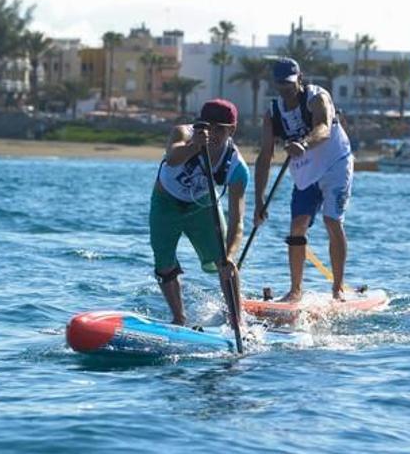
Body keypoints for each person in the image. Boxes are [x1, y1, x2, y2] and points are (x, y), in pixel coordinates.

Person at [254, 57, 353, 302]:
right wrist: (259, 200)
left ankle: (338, 288)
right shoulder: (273, 113)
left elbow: (323, 128)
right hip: (306, 171)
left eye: (289, 83)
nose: (285, 89)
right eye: (280, 84)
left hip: (335, 164)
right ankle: (295, 290)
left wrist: (304, 143)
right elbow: (265, 155)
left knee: (332, 220)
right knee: (297, 224)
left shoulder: (317, 97)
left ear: (300, 78)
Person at [150, 99, 249, 326]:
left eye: (219, 129)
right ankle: (179, 319)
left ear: (231, 130)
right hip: (166, 203)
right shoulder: (182, 134)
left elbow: (238, 221)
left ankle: (237, 321)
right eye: (206, 126)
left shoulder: (237, 167)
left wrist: (231, 255)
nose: (211, 133)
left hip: (202, 206)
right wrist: (194, 146)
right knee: (164, 264)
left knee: (224, 262)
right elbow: (173, 159)